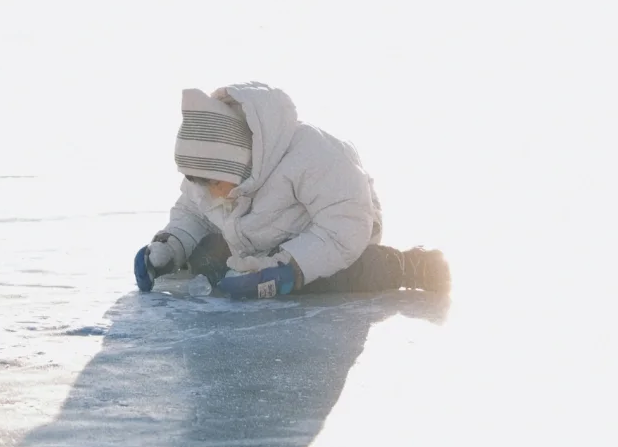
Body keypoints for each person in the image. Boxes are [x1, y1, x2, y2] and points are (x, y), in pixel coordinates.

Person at [134, 82, 450, 300]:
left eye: (213, 183)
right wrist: (171, 248)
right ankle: (252, 273)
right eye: (199, 183)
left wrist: (290, 271)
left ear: (235, 162)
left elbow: (345, 225)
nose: (209, 192)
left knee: (331, 278)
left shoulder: (310, 153)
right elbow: (192, 213)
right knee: (206, 257)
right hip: (260, 242)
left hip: (335, 235)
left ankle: (411, 267)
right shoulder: (211, 179)